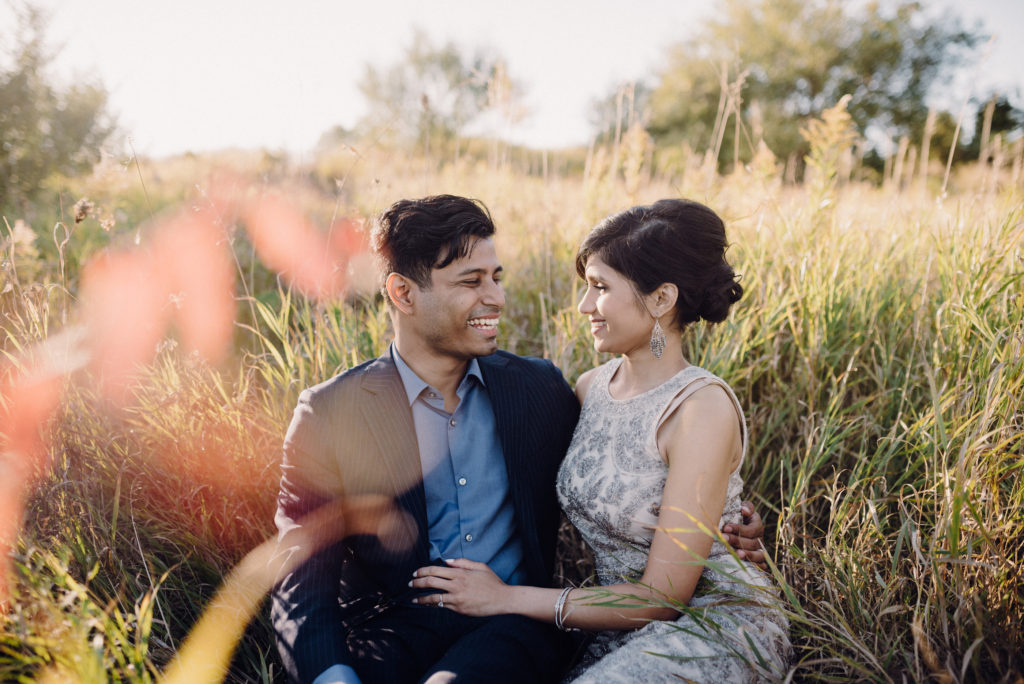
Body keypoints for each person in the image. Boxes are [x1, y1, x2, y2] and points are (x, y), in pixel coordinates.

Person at [271, 195, 768, 684]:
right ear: (402, 293)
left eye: (496, 278)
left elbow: (661, 500)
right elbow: (301, 578)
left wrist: (725, 521)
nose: (497, 298)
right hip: (395, 628)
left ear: (662, 299)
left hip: (520, 625)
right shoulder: (331, 412)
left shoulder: (540, 391)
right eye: (472, 281)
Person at [410, 199, 791, 682]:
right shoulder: (590, 388)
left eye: (600, 288)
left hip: (711, 620)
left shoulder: (701, 408)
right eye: (585, 287)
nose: (584, 306)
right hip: (607, 620)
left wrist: (505, 598)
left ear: (661, 299)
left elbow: (663, 598)